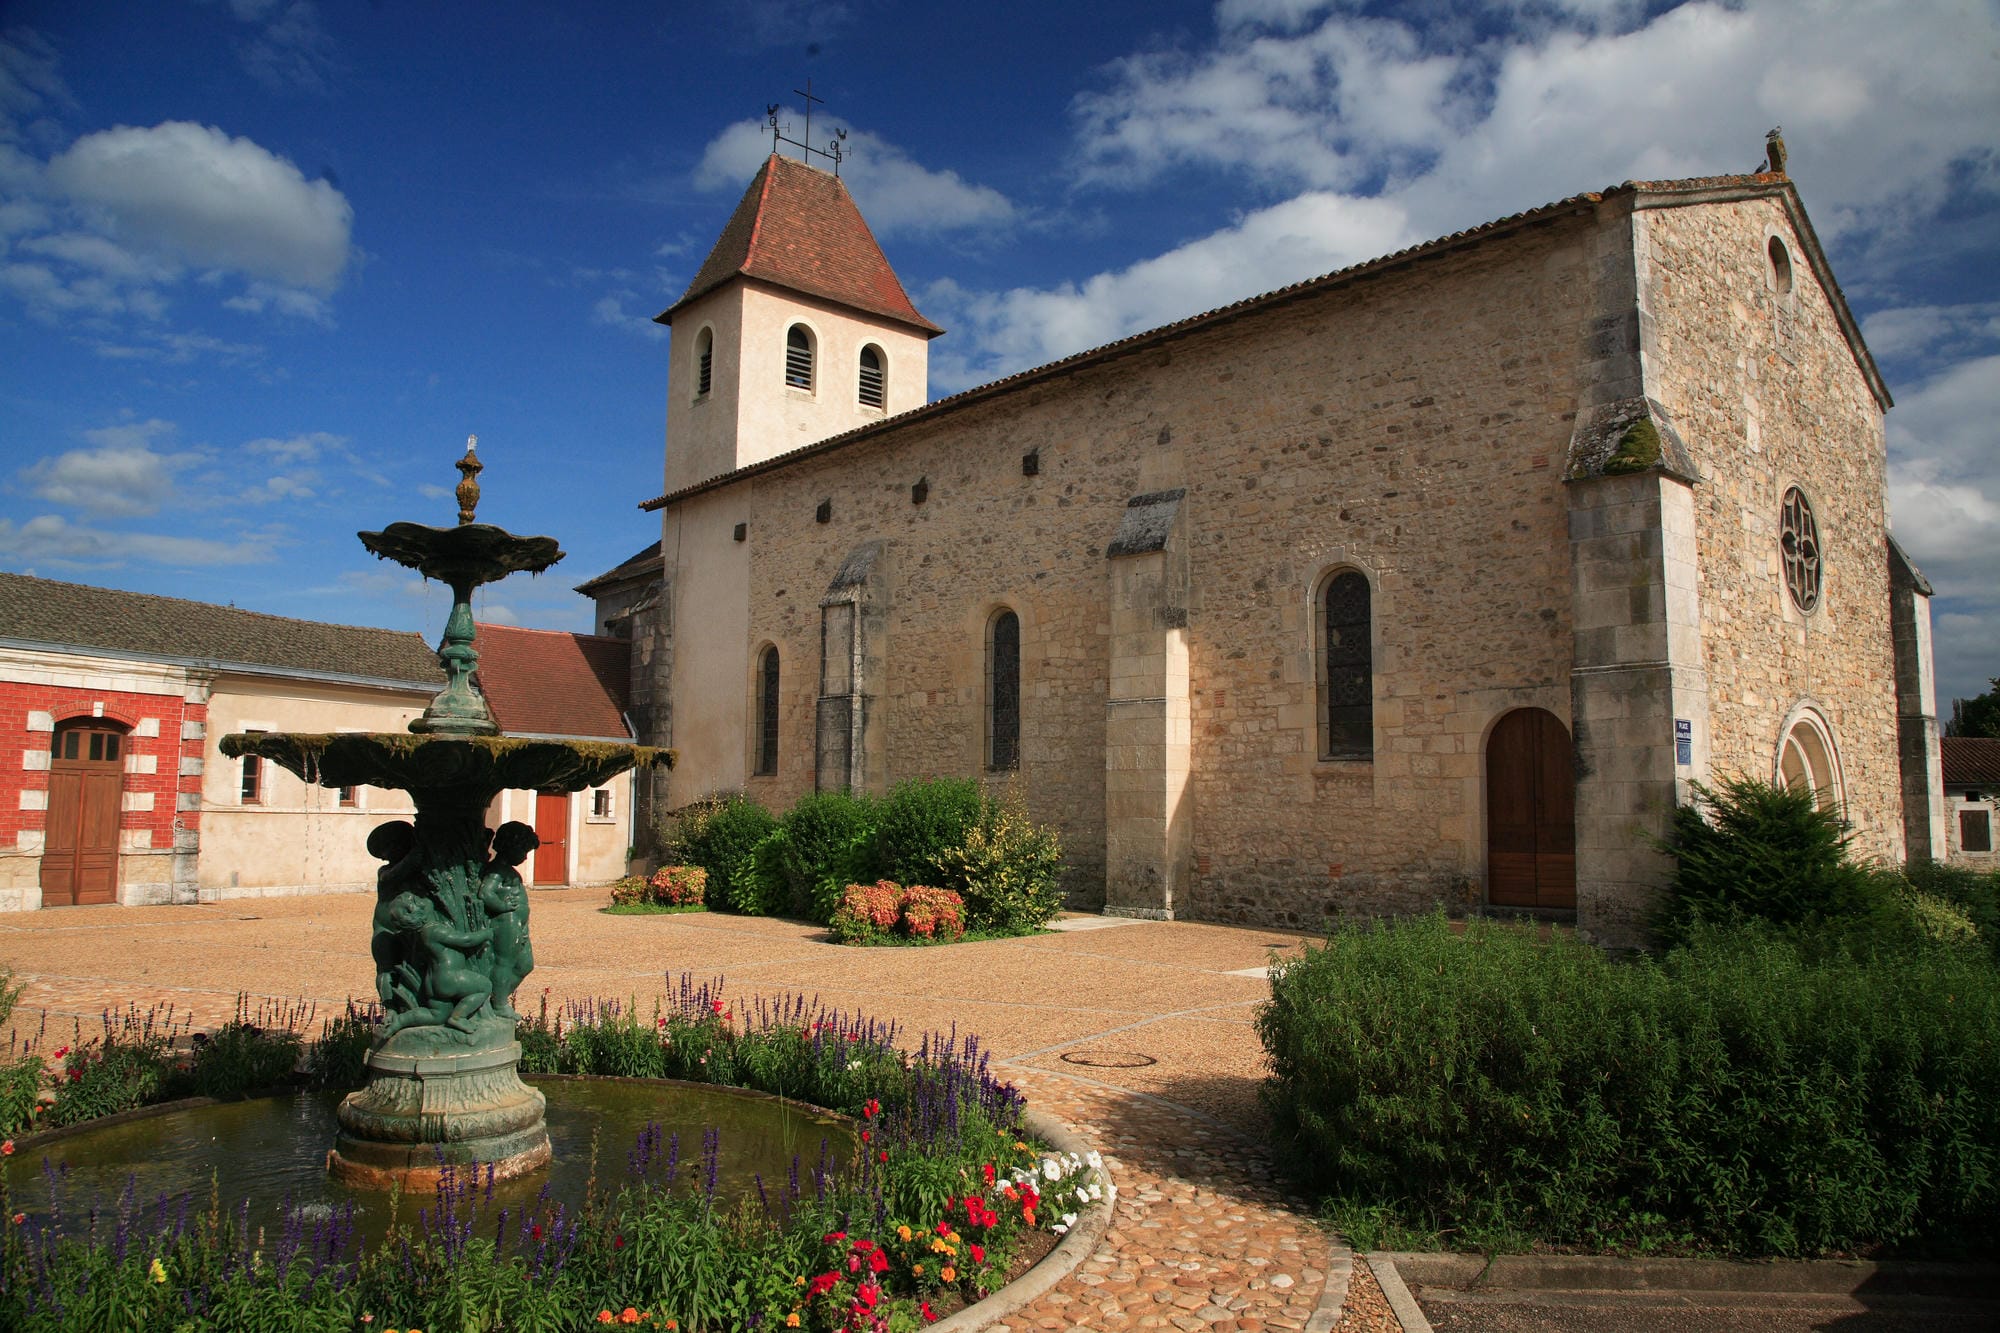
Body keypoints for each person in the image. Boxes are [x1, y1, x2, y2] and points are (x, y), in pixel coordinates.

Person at [479, 821, 539, 1019]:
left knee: (525, 964)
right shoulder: (497, 870)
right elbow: (485, 893)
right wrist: (502, 906)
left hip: (518, 924)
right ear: (510, 846)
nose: (525, 857)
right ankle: (498, 1003)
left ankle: (496, 997)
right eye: (524, 851)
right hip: (506, 922)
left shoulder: (508, 871)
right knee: (505, 962)